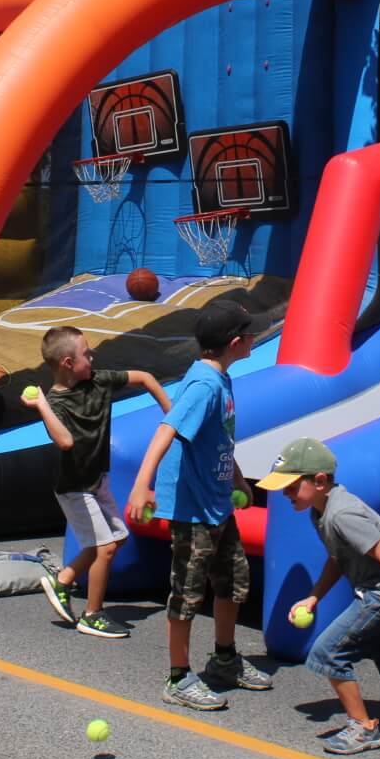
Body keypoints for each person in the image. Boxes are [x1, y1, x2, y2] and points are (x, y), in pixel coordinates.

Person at [125, 299, 274, 710]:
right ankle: (178, 677)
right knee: (187, 595)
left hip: (217, 504)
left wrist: (239, 479)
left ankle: (224, 658)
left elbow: (217, 438)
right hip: (192, 511)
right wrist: (142, 485)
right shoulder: (204, 385)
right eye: (250, 333)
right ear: (236, 341)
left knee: (233, 582)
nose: (254, 337)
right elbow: (167, 429)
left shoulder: (220, 379)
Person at [262, 438, 380, 756]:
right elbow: (338, 559)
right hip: (379, 590)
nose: (285, 494)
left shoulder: (341, 514)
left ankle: (363, 729)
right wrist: (314, 597)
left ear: (319, 481)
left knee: (328, 653)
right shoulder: (320, 513)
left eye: (291, 486)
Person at [29, 326, 172, 638]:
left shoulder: (99, 380)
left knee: (117, 539)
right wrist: (41, 406)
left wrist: (170, 414)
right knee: (105, 548)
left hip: (98, 480)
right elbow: (65, 441)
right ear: (68, 363)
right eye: (86, 354)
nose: (92, 357)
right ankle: (92, 614)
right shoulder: (55, 403)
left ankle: (63, 579)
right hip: (74, 488)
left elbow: (146, 378)